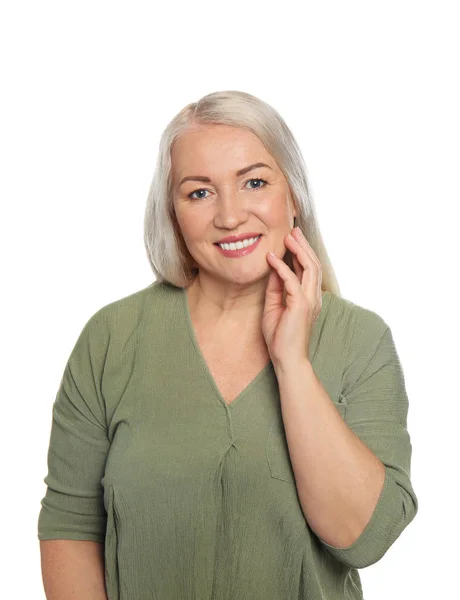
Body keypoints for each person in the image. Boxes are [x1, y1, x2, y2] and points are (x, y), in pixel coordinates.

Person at [37, 90, 418, 600]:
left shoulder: (360, 341)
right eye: (199, 193)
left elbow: (361, 537)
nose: (231, 216)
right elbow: (71, 525)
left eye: (254, 183)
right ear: (172, 213)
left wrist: (292, 363)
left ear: (294, 197)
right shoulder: (112, 337)